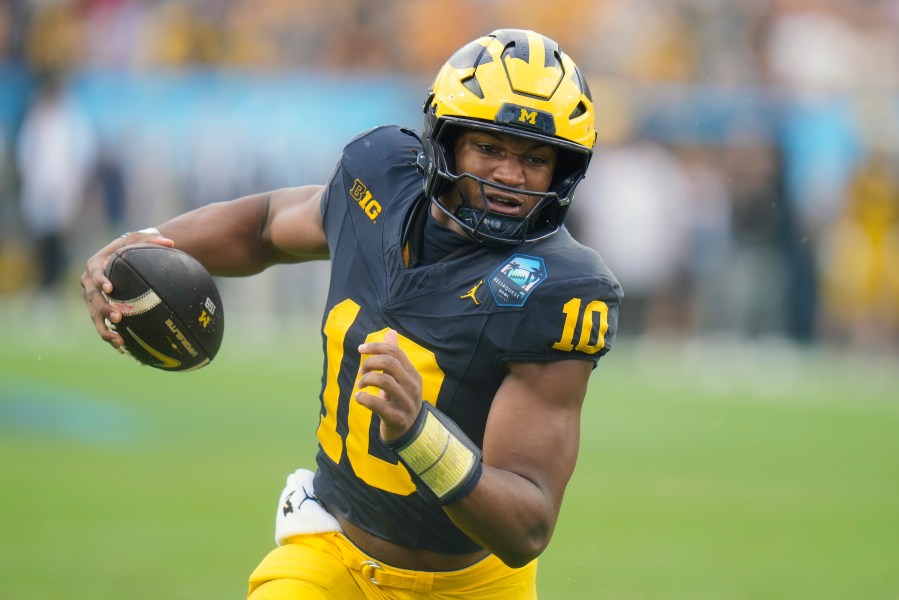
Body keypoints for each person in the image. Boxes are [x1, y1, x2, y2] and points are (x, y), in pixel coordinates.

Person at [81, 29, 622, 599]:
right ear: (448, 142)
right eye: (489, 148)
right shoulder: (379, 179)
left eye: (534, 159)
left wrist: (419, 434)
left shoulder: (561, 288)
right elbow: (266, 225)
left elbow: (527, 524)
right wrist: (139, 249)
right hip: (333, 553)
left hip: (474, 584)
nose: (510, 176)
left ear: (562, 173)